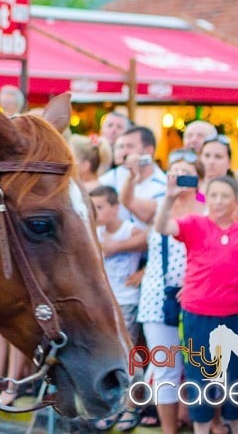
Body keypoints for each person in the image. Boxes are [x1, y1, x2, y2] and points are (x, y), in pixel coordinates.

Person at [153, 176, 238, 434]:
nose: (218, 201)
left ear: (236, 201)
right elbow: (162, 226)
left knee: (235, 378)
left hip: (235, 315)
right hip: (198, 315)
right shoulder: (194, 224)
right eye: (213, 195)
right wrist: (170, 197)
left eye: (225, 196)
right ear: (206, 197)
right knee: (200, 378)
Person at [135, 150, 203, 434]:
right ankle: (168, 429)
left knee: (200, 366)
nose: (181, 178)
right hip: (156, 298)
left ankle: (200, 421)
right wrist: (170, 196)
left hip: (198, 296)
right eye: (175, 172)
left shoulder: (208, 209)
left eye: (187, 172)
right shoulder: (159, 208)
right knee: (166, 368)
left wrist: (192, 283)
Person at [90, 185, 146, 431]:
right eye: (93, 207)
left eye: (100, 207)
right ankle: (113, 406)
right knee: (106, 357)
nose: (96, 212)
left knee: (127, 355)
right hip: (102, 303)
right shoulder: (94, 231)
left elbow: (152, 247)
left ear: (115, 208)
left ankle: (131, 406)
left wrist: (142, 272)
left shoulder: (130, 230)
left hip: (125, 300)